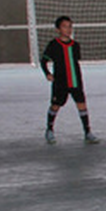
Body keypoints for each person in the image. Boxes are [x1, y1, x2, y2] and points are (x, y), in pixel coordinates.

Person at [41, 16, 100, 145]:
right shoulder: (54, 45)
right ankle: (49, 129)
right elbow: (43, 60)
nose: (68, 29)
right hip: (60, 82)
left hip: (75, 81)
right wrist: (47, 73)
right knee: (55, 105)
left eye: (70, 27)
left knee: (82, 104)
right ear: (58, 29)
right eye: (64, 27)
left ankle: (87, 132)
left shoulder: (75, 45)